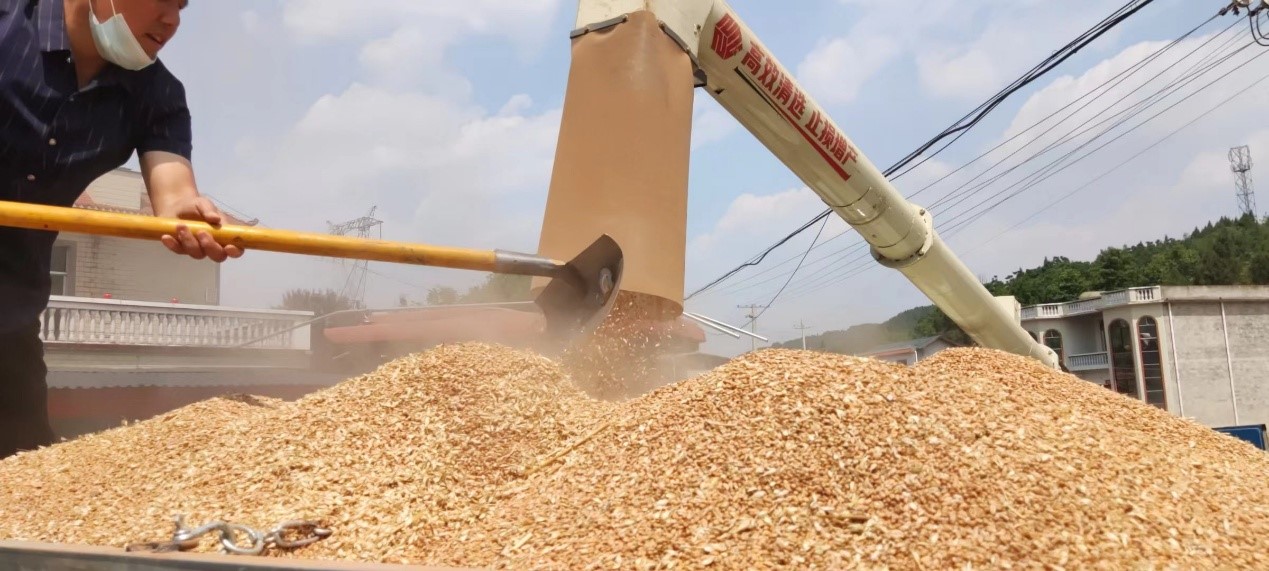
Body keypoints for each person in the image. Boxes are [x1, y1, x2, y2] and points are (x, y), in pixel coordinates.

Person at [0, 0, 242, 459]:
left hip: (10, 322)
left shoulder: (157, 94)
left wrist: (187, 214)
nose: (172, 21)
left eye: (181, 6)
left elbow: (175, 194)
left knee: (27, 475)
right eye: (162, 0)